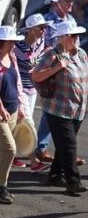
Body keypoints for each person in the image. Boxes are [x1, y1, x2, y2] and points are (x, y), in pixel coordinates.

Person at [31, 22, 88, 196]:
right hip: (58, 109)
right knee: (70, 145)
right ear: (62, 37)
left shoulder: (81, 54)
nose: (76, 38)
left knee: (63, 145)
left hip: (78, 110)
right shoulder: (52, 55)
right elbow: (35, 75)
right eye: (72, 36)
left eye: (76, 36)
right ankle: (74, 182)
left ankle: (55, 175)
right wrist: (57, 67)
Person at [38, 0, 81, 165]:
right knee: (52, 110)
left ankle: (61, 151)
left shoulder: (70, 19)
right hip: (53, 71)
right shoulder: (47, 22)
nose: (71, 4)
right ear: (56, 3)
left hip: (67, 70)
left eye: (71, 1)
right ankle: (42, 147)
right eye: (67, 1)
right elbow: (44, 48)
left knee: (61, 112)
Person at [13, 14, 51, 172]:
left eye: (45, 28)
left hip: (33, 89)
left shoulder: (41, 41)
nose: (44, 31)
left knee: (19, 124)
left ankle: (13, 156)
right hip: (19, 90)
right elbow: (28, 67)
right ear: (30, 30)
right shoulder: (18, 46)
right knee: (28, 123)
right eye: (41, 28)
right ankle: (34, 162)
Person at [0, 26, 27, 204]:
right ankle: (1, 186)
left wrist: (21, 105)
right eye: (11, 42)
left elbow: (17, 84)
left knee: (2, 151)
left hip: (13, 109)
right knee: (10, 149)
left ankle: (3, 185)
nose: (14, 45)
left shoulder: (12, 57)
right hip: (1, 113)